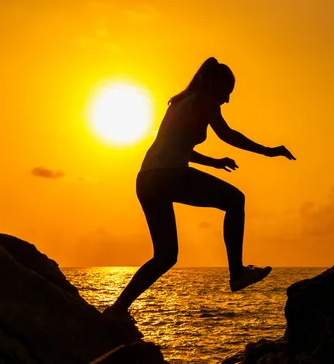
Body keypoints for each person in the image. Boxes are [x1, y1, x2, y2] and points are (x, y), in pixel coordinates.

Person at [103, 57, 296, 323]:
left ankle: (117, 309)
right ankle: (237, 273)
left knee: (165, 255)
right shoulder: (204, 100)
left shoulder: (179, 103)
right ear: (214, 85)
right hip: (169, 175)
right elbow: (227, 134)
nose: (226, 101)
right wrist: (268, 151)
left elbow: (178, 148)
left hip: (146, 179)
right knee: (235, 199)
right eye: (226, 93)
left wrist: (215, 162)